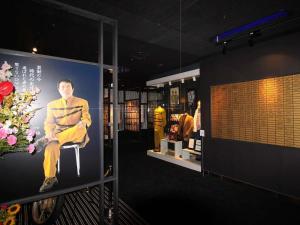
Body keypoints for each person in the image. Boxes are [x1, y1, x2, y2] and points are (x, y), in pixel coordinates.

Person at [38, 79, 92, 192]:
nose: (65, 89)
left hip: (76, 132)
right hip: (58, 133)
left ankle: (47, 139)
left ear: (73, 89)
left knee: (81, 127)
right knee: (50, 148)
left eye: (68, 86)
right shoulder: (51, 104)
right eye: (62, 87)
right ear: (58, 90)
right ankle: (50, 177)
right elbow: (49, 123)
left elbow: (87, 118)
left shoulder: (83, 102)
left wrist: (85, 122)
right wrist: (49, 132)